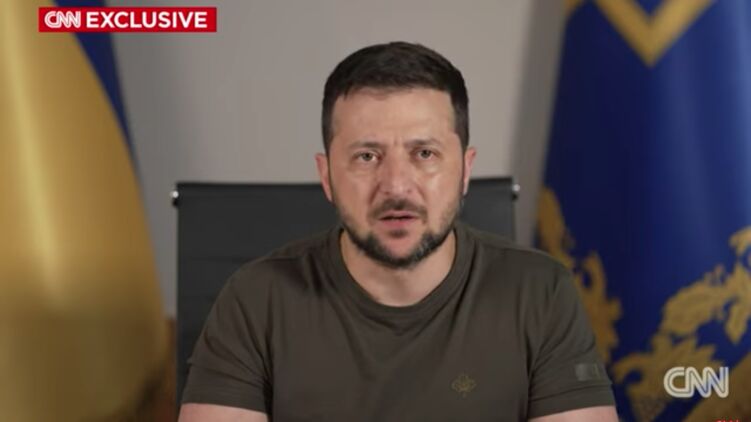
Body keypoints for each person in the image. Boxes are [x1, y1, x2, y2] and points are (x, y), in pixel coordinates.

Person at [178, 41, 618, 422]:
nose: (396, 186)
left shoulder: (541, 294)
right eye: (367, 157)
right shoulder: (256, 301)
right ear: (326, 175)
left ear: (465, 170)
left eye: (424, 153)